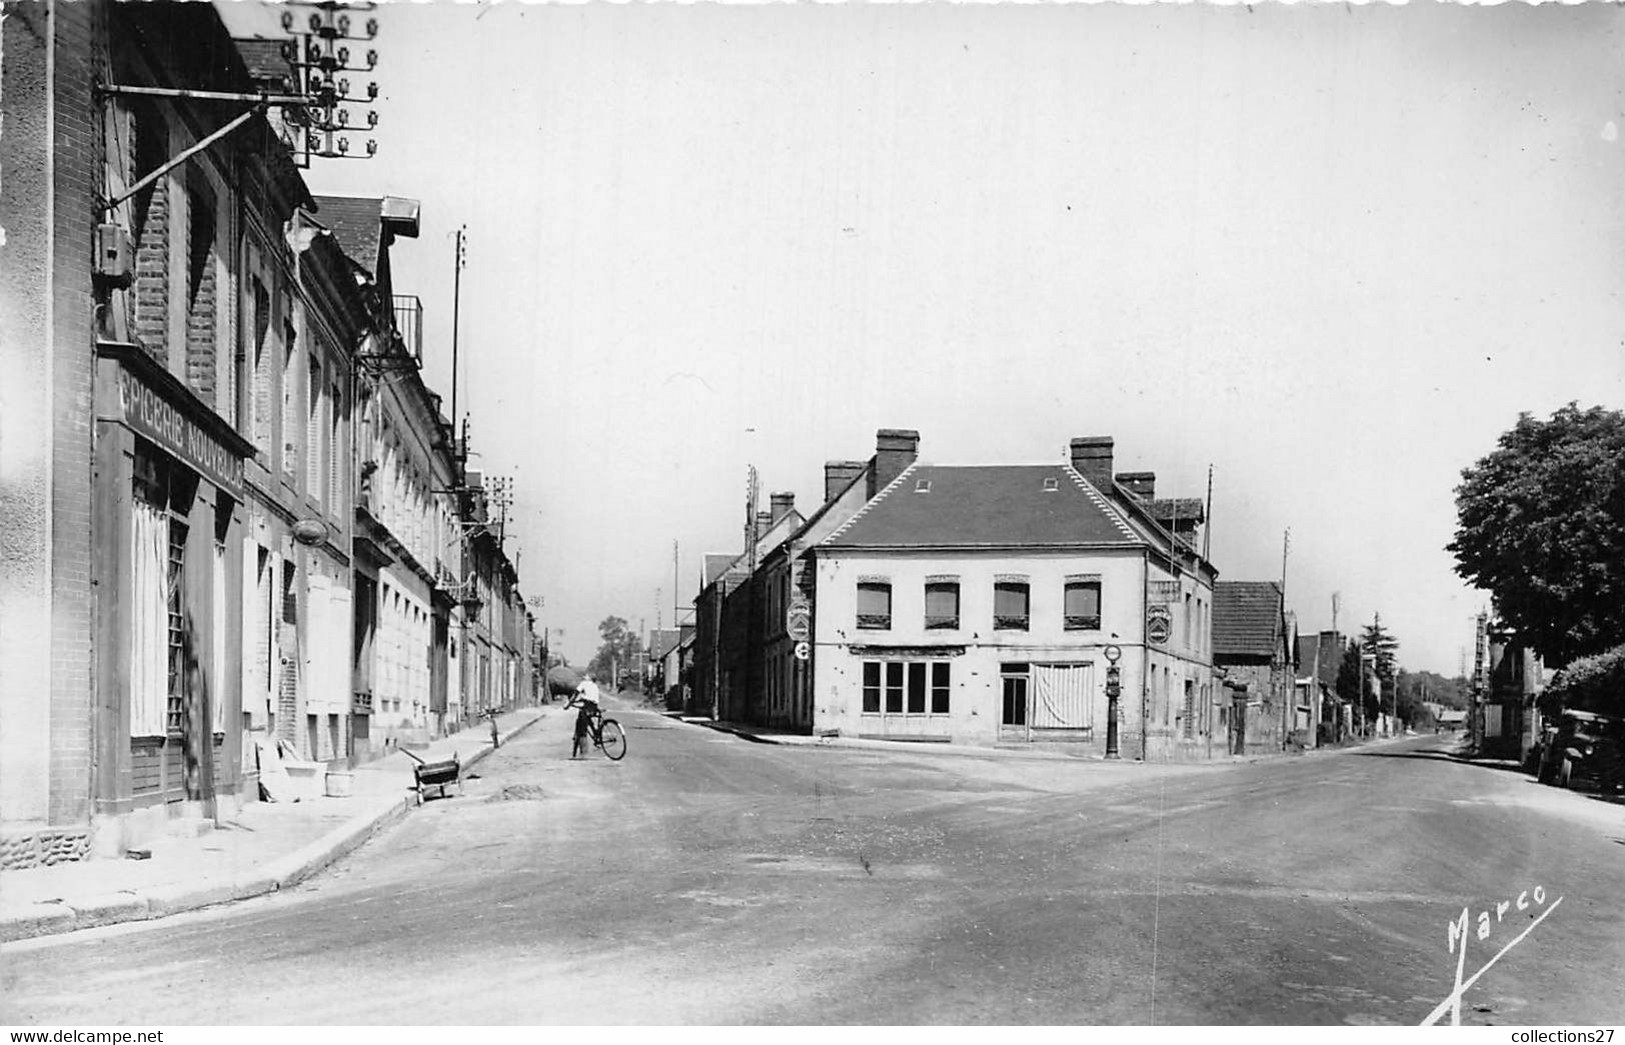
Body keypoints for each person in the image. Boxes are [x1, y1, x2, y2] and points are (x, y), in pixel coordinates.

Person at [568, 675, 603, 758]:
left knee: (581, 728)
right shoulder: (594, 685)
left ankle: (584, 752)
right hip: (594, 706)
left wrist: (569, 703)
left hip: (587, 706)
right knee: (588, 720)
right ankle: (596, 733)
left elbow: (576, 693)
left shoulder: (583, 683)